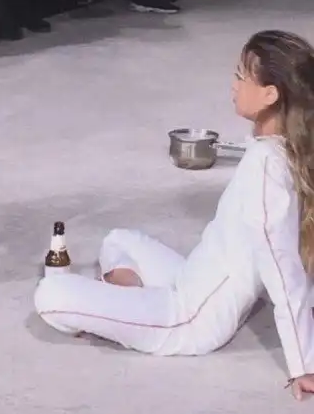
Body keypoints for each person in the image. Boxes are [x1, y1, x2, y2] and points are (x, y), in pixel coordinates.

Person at [35, 30, 314, 400]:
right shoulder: (272, 149)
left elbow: (283, 269)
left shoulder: (267, 169)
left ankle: (123, 312)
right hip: (187, 278)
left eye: (241, 76)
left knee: (50, 294)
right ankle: (125, 300)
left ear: (270, 95)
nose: (233, 85)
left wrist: (303, 364)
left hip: (190, 318)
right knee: (119, 239)